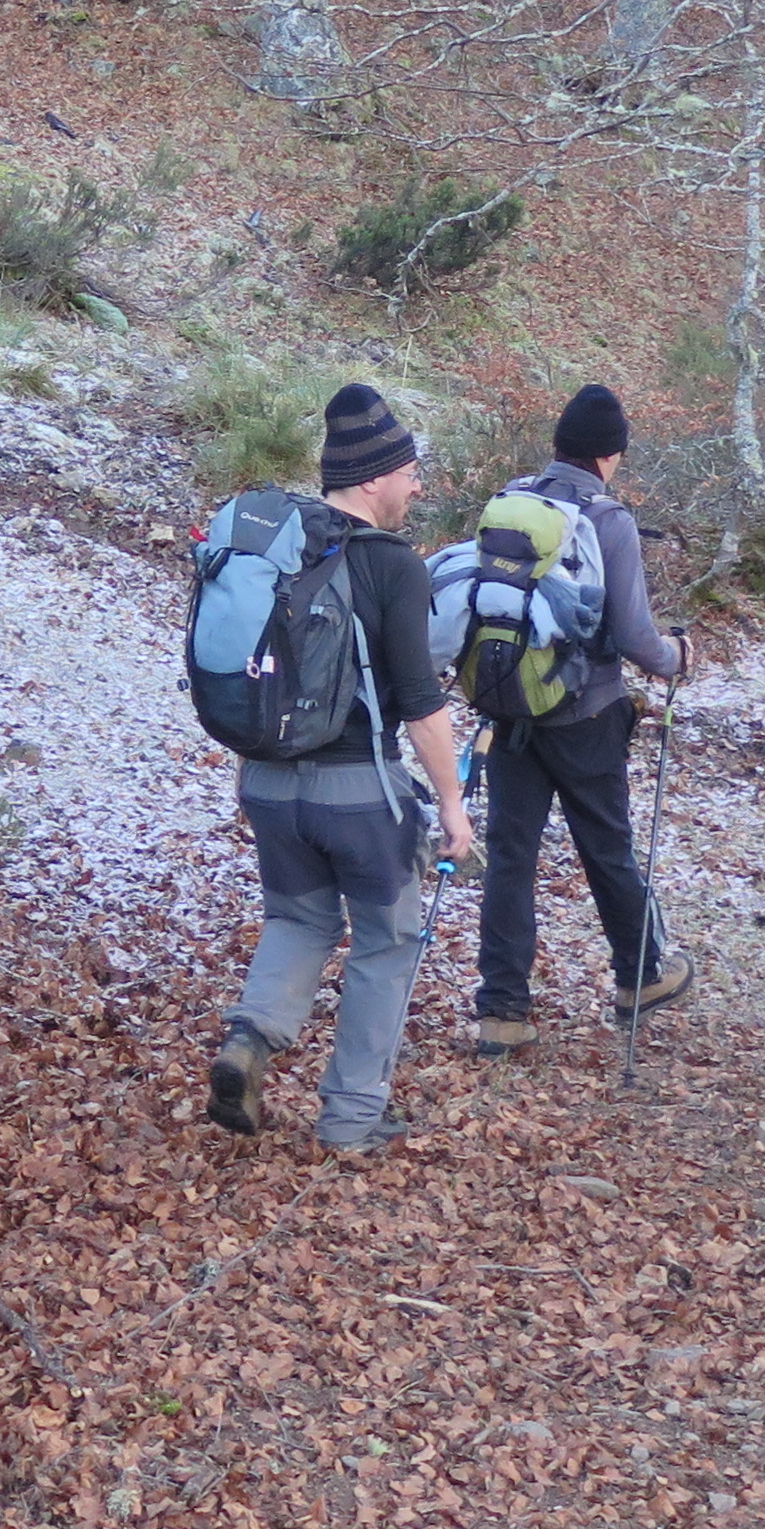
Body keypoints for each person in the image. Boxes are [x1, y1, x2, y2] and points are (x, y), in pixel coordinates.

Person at [203, 384, 476, 1151]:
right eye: (409, 473)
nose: (416, 488)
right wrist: (452, 803)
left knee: (298, 918)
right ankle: (352, 1118)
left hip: (267, 782)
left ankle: (249, 1040)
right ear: (373, 478)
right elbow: (420, 701)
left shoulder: (281, 551)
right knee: (387, 943)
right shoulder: (392, 565)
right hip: (358, 795)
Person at [471, 384, 695, 1056]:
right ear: (611, 454)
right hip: (587, 713)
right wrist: (677, 658)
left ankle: (502, 1011)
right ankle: (641, 976)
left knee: (511, 857)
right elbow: (635, 637)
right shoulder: (608, 519)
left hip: (509, 706)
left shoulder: (513, 500)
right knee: (606, 847)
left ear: (558, 444)